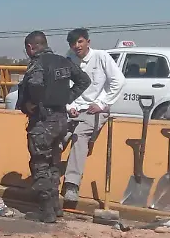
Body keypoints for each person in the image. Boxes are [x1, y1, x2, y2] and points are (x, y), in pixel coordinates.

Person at [16, 31, 90, 223]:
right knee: (53, 163)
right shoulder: (63, 61)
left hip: (43, 121)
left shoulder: (37, 63)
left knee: (40, 164)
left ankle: (46, 211)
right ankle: (56, 207)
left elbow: (34, 84)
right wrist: (66, 98)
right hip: (61, 120)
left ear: (30, 47)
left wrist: (35, 103)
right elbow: (84, 80)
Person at [62, 28, 126, 207]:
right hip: (74, 109)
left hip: (95, 110)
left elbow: (119, 81)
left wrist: (102, 103)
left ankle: (72, 185)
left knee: (79, 136)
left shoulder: (101, 57)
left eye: (80, 42)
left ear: (88, 42)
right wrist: (70, 107)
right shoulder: (68, 60)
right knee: (57, 136)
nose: (77, 46)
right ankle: (47, 179)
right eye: (73, 43)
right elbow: (65, 87)